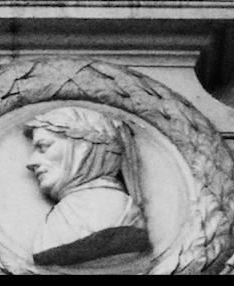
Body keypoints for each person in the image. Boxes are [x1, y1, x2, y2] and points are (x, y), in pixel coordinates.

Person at [23, 106, 151, 266]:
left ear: (83, 148)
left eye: (43, 147)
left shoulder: (115, 214)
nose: (31, 162)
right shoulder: (65, 213)